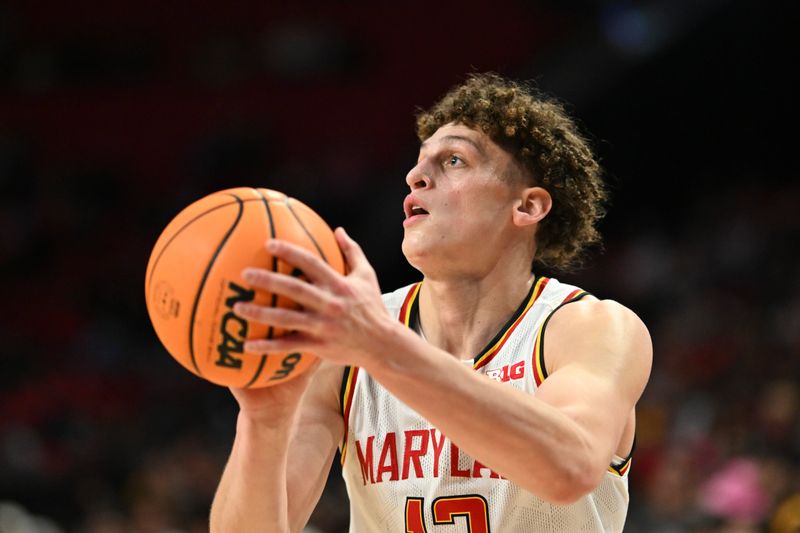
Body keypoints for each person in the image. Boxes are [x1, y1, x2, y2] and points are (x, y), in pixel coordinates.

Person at [209, 72, 653, 532]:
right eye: (420, 162)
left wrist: (382, 348)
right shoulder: (348, 348)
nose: (415, 175)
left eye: (455, 160)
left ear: (528, 207)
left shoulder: (590, 329)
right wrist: (261, 423)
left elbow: (569, 469)